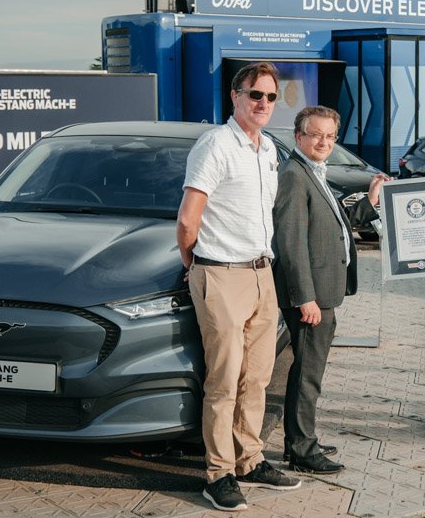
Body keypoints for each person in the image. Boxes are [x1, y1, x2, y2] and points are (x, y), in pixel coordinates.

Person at [177, 62, 301, 512]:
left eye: (270, 97)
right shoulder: (215, 145)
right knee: (224, 379)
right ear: (235, 96)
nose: (263, 104)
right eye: (255, 95)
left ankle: (250, 459)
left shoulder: (266, 148)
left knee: (258, 376)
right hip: (221, 272)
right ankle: (218, 473)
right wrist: (198, 266)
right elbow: (188, 219)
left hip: (260, 272)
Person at [272, 106, 388, 475]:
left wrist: (370, 200)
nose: (324, 142)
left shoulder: (313, 172)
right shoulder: (294, 175)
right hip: (313, 298)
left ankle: (301, 439)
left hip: (324, 293)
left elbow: (333, 223)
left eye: (330, 136)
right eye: (316, 135)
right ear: (299, 136)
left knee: (310, 371)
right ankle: (302, 449)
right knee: (307, 373)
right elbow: (290, 242)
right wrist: (304, 296)